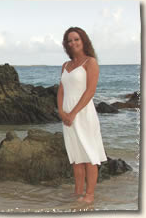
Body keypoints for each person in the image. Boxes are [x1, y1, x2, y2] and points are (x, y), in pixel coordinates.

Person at [57, 27, 107, 204]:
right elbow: (61, 90)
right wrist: (62, 112)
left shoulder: (90, 62)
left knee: (89, 154)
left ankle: (90, 195)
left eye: (76, 39)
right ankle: (78, 192)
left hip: (83, 113)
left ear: (83, 40)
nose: (73, 43)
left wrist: (73, 113)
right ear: (66, 44)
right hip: (67, 116)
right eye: (69, 41)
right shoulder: (65, 65)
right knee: (76, 157)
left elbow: (90, 91)